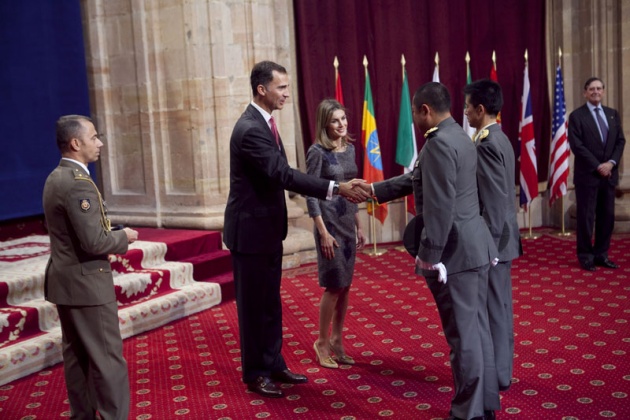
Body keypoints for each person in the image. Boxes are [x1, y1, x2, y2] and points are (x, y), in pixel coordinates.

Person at [223, 61, 369, 398]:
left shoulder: (267, 124)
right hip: (250, 233)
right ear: (262, 89)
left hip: (268, 230)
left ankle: (273, 363)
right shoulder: (250, 129)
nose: (287, 94)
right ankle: (256, 373)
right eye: (282, 88)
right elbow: (283, 175)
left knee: (271, 303)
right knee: (253, 306)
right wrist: (336, 188)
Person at [357, 82, 500, 420]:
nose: (416, 122)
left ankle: (468, 412)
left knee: (462, 336)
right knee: (478, 329)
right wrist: (373, 190)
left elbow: (438, 207)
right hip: (474, 246)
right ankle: (485, 405)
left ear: (425, 110)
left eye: (415, 114)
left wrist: (430, 256)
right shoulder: (460, 137)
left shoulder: (437, 144)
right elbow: (417, 180)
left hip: (453, 254)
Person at [43, 115, 139, 419]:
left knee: (78, 359)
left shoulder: (55, 176)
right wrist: (125, 237)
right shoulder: (77, 184)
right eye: (94, 137)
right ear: (75, 143)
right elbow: (95, 242)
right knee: (108, 360)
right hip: (87, 285)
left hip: (66, 282)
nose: (99, 143)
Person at [464, 79, 523, 392]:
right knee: (500, 308)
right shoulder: (499, 137)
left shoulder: (486, 144)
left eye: (468, 107)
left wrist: (491, 247)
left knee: (496, 310)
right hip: (504, 239)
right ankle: (502, 370)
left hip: (496, 241)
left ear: (481, 109)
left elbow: (495, 201)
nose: (465, 113)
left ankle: (499, 374)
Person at [306, 99, 366, 369]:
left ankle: (338, 340)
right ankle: (321, 341)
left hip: (346, 223)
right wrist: (322, 233)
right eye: (335, 120)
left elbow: (351, 190)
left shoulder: (350, 148)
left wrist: (359, 224)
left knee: (346, 285)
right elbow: (310, 193)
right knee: (333, 286)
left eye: (343, 119)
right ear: (324, 124)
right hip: (328, 224)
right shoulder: (317, 152)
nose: (342, 124)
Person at [568, 77, 626, 271]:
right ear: (585, 92)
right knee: (586, 217)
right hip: (588, 176)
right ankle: (585, 256)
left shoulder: (612, 114)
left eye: (599, 88)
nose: (595, 92)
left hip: (609, 176)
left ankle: (602, 254)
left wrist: (610, 164)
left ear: (603, 91)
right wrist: (598, 166)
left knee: (607, 217)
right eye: (591, 89)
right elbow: (577, 146)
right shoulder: (577, 116)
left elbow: (620, 141)